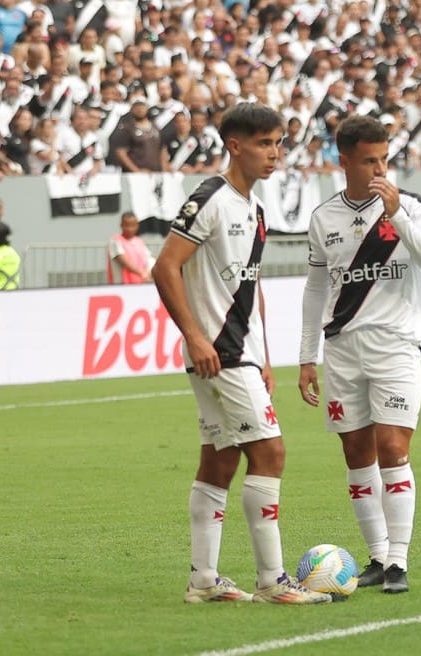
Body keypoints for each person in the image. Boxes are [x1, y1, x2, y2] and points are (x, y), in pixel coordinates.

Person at [152, 103, 330, 605]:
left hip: (240, 353)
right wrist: (194, 335)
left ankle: (204, 581)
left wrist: (266, 356)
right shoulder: (211, 197)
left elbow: (251, 288)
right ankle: (273, 581)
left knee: (221, 459)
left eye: (279, 143)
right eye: (264, 143)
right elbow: (165, 268)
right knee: (270, 453)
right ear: (235, 145)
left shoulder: (253, 208)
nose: (275, 154)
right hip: (219, 352)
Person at [298, 114, 421, 594]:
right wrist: (306, 356)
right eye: (369, 161)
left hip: (395, 345)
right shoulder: (324, 218)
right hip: (342, 349)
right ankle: (378, 557)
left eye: (385, 159)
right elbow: (316, 287)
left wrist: (398, 214)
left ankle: (400, 563)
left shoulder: (409, 205)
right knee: (355, 453)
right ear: (344, 162)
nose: (380, 169)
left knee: (393, 449)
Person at [108, 212, 153, 284]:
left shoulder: (140, 242)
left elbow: (150, 259)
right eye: (126, 225)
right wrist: (142, 273)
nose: (129, 229)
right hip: (121, 285)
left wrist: (149, 272)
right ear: (121, 225)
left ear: (137, 225)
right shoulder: (115, 240)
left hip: (140, 284)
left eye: (133, 225)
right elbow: (124, 262)